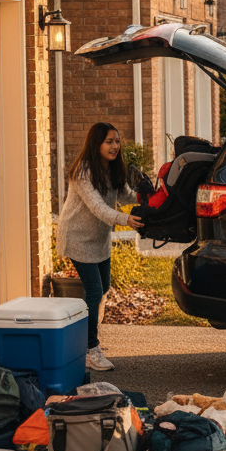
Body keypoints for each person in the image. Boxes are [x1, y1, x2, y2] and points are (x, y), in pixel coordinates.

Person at [57, 123, 144, 372]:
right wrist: (124, 219)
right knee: (94, 291)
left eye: (117, 141)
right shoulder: (83, 171)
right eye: (109, 141)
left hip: (99, 237)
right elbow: (96, 206)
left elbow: (126, 195)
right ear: (96, 144)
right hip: (78, 237)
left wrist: (150, 195)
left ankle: (83, 340)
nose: (115, 146)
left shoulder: (113, 168)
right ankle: (89, 349)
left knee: (103, 287)